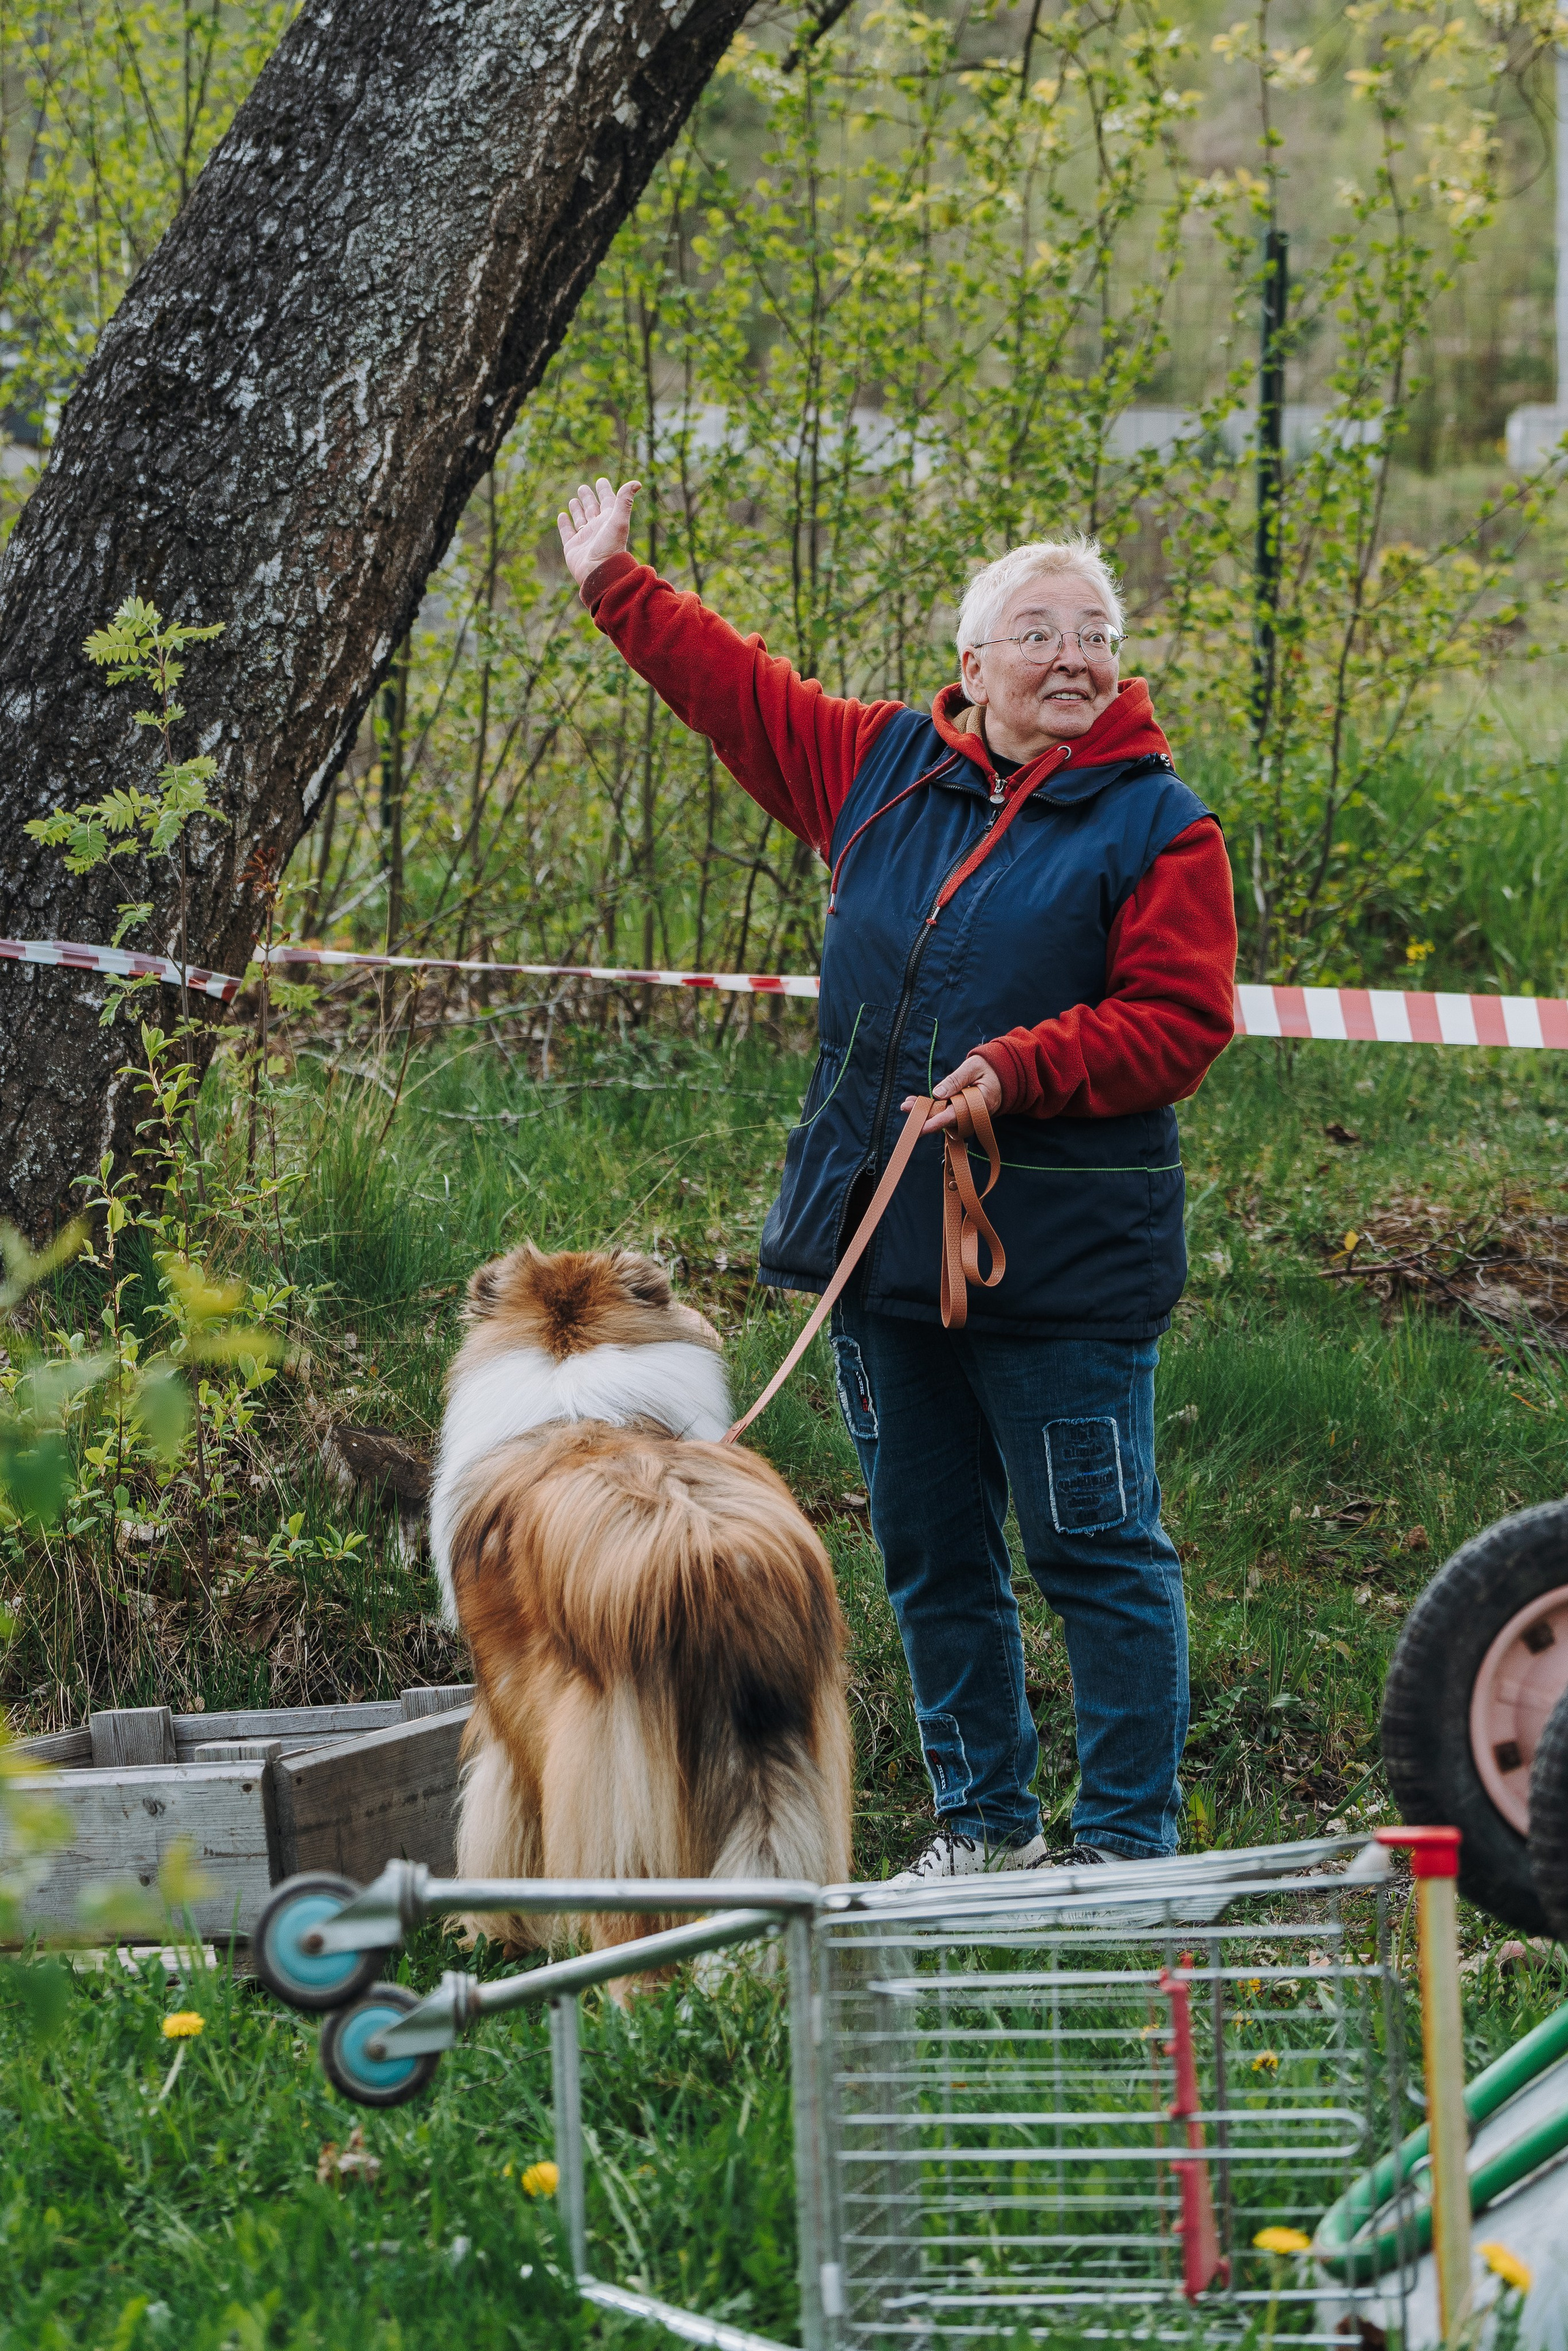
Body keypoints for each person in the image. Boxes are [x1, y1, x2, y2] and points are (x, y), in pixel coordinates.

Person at [557, 477, 1237, 1882]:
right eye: (1037, 631)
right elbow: (734, 689)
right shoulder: (872, 766)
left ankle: (1122, 1851)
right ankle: (985, 1829)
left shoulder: (1159, 824)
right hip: (877, 1252)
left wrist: (1019, 1065)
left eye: (1094, 633)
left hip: (1063, 1264)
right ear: (971, 662)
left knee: (1095, 1552)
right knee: (931, 1555)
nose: (1072, 656)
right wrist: (616, 584)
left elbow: (1180, 1020)